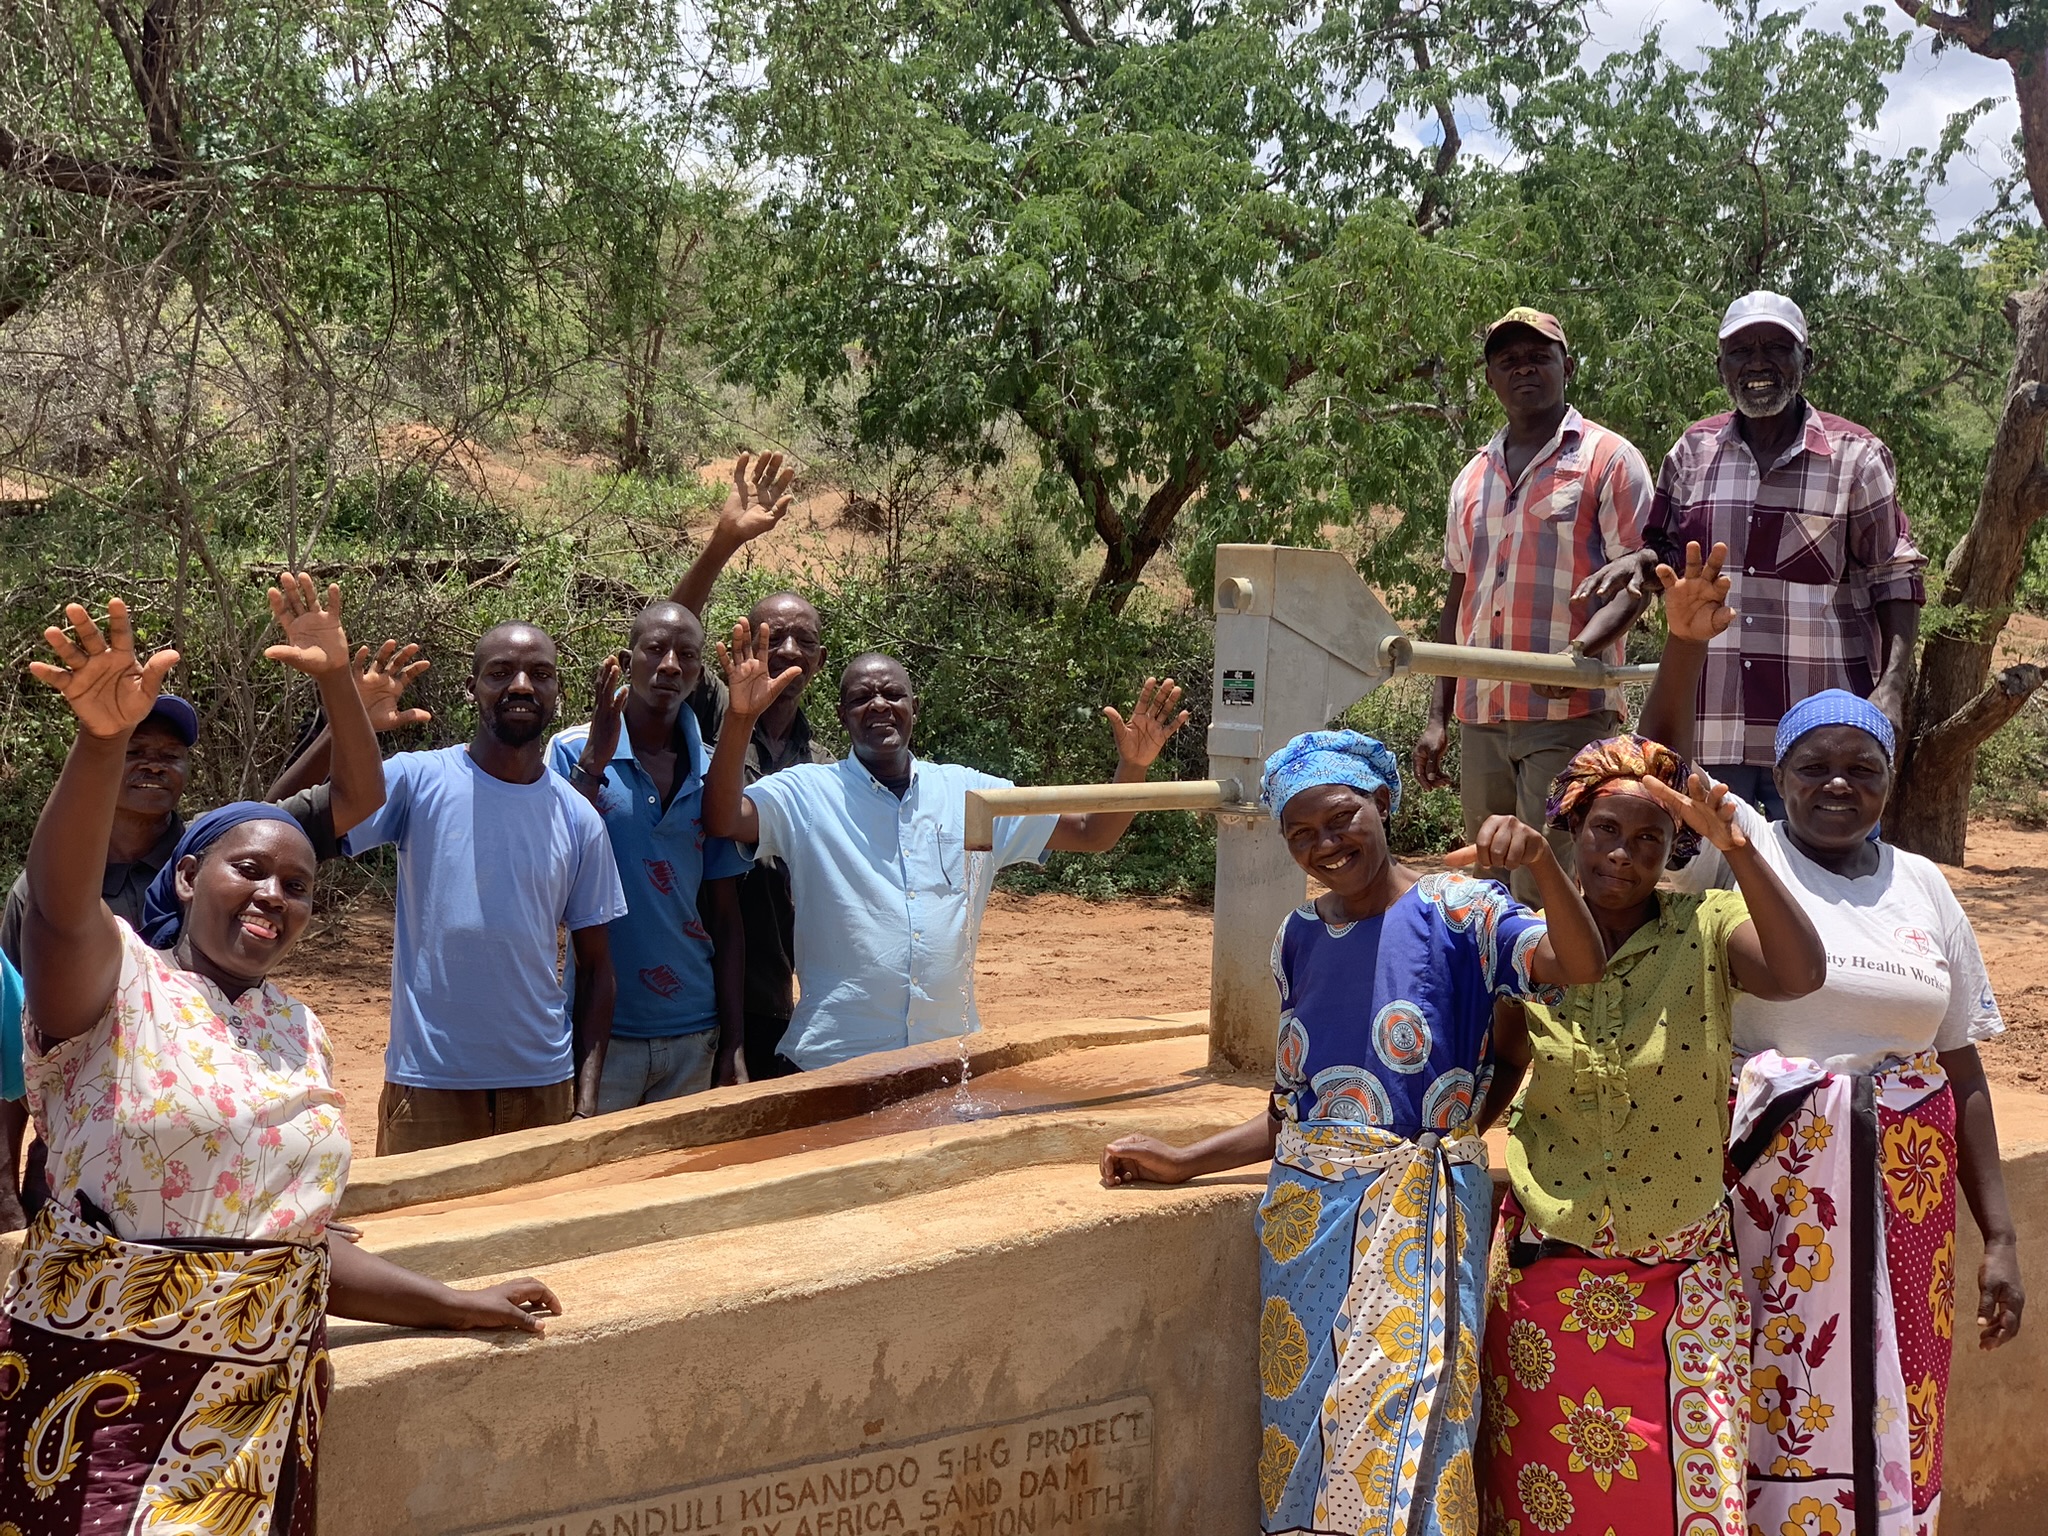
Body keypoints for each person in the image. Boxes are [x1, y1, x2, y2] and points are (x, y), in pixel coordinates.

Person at [1, 596, 558, 1531]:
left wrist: (458, 1303)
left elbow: (297, 1249)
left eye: (296, 886)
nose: (273, 895)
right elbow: (57, 907)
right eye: (249, 871)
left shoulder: (296, 1029)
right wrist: (101, 743)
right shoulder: (116, 983)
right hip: (102, 1408)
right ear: (186, 877)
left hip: (260, 1433)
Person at [1098, 731, 1605, 1535]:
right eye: (1300, 833)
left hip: (1422, 1209)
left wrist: (1541, 862)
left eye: (1340, 819)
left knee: (1415, 1411)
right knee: (1301, 1418)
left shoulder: (1463, 909)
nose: (1323, 845)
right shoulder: (1296, 937)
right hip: (1307, 1219)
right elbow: (1292, 1107)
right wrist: (1184, 1161)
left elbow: (1580, 965)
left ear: (1384, 804)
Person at [1640, 611, 2020, 1535]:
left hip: (1908, 1204)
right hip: (1767, 1199)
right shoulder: (1738, 855)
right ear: (1779, 780)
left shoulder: (1926, 885)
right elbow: (1648, 782)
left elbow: (1959, 1059)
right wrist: (1685, 645)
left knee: (1904, 1383)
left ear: (1892, 781)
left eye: (1865, 768)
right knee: (1772, 1390)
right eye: (1816, 767)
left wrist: (2001, 1235)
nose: (1840, 784)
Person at [1481, 543, 1829, 1536]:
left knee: (1694, 1509)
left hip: (1681, 1295)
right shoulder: (1524, 949)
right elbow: (1498, 1070)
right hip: (1550, 1288)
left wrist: (1734, 846)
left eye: (1648, 839)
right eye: (1602, 833)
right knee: (1544, 1510)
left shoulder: (1703, 929)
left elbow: (1799, 971)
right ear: (1567, 831)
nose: (1626, 854)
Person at [0, 574, 395, 1231]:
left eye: (171, 754)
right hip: (91, 1155)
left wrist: (338, 686)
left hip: (215, 1152)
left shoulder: (218, 851)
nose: (154, 764)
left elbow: (354, 799)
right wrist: (6, 1188)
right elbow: (13, 1037)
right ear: (184, 881)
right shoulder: (53, 885)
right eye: (134, 749)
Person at [704, 622, 1188, 1071]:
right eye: (861, 698)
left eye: (893, 694)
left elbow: (1091, 833)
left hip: (948, 1062)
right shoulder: (807, 793)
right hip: (835, 1061)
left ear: (915, 708)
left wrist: (1134, 768)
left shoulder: (970, 793)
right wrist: (741, 719)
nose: (878, 705)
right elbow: (724, 819)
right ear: (841, 715)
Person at [1581, 290, 1925, 816]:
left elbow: (1895, 578)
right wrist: (1642, 562)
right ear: (1722, 367)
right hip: (1709, 734)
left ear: (1805, 361)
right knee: (1713, 893)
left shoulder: (1856, 457)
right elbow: (1666, 557)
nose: (1758, 363)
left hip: (1821, 744)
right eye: (1741, 350)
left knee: (1820, 893)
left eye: (1775, 347)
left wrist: (1894, 688)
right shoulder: (1692, 452)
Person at [343, 621, 628, 1153]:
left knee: (533, 1236)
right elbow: (285, 823)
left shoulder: (578, 818)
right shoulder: (416, 780)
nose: (521, 684)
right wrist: (351, 721)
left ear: (557, 693)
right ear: (471, 688)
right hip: (429, 1088)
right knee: (415, 1236)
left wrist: (585, 1105)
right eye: (500, 672)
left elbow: (597, 969)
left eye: (539, 674)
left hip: (543, 1088)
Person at [1414, 306, 1654, 905]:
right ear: (1490, 378)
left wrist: (1578, 653)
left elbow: (1640, 579)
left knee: (1549, 874)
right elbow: (1458, 600)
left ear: (1566, 367)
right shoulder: (1472, 476)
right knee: (1487, 877)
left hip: (1568, 711)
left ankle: (1554, 997)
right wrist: (1439, 714)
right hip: (1482, 714)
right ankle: (1498, 999)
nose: (1524, 369)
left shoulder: (1609, 459)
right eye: (1508, 361)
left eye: (1539, 357)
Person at [548, 601, 751, 1107]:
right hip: (600, 1033)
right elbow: (548, 863)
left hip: (693, 1030)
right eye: (656, 649)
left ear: (700, 673)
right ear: (627, 657)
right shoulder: (573, 752)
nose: (670, 666)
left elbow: (725, 917)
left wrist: (734, 1042)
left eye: (687, 655)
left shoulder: (713, 771)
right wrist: (594, 765)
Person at [671, 449, 833, 1078]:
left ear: (819, 662)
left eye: (803, 640)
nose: (787, 649)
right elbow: (671, 635)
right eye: (772, 636)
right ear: (745, 644)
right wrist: (721, 544)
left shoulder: (825, 765)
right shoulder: (713, 709)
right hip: (686, 983)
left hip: (774, 995)